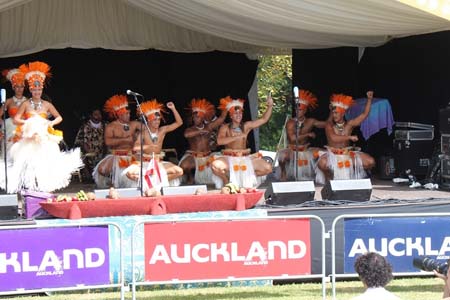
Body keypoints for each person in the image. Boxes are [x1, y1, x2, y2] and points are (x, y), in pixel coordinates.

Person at [0, 61, 83, 192]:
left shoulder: (47, 104)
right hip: (29, 136)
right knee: (28, 162)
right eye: (34, 90)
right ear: (31, 90)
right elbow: (16, 118)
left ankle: (43, 188)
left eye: (39, 90)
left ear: (41, 89)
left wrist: (50, 123)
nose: (37, 92)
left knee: (44, 161)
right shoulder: (26, 104)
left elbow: (59, 117)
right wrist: (27, 123)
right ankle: (29, 187)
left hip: (44, 135)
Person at [211, 95, 273, 188]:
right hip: (229, 158)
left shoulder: (246, 126)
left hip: (245, 158)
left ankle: (249, 176)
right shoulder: (225, 127)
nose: (239, 115)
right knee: (215, 166)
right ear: (231, 115)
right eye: (235, 113)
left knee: (268, 168)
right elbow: (219, 141)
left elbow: (263, 119)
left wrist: (270, 106)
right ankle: (226, 180)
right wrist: (237, 137)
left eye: (240, 113)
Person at [123, 99, 183, 192]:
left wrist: (173, 109)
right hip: (145, 162)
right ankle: (152, 181)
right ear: (148, 120)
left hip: (158, 162)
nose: (158, 122)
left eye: (159, 119)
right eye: (155, 119)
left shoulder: (162, 130)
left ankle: (154, 181)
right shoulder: (143, 133)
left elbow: (179, 123)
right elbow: (135, 148)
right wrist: (148, 147)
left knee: (179, 171)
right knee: (129, 173)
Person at [316, 91, 375, 183]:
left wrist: (369, 100)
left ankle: (353, 173)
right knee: (322, 163)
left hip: (347, 153)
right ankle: (330, 178)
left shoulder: (349, 124)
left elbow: (364, 115)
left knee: (370, 161)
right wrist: (349, 138)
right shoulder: (329, 125)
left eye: (337, 113)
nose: (334, 115)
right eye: (333, 113)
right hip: (332, 154)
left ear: (343, 113)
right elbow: (333, 138)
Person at [277, 89, 328, 181]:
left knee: (324, 153)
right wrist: (307, 134)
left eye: (300, 110)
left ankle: (325, 176)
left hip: (306, 150)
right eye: (296, 109)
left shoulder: (310, 121)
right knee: (282, 156)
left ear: (305, 111)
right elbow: (292, 139)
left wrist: (333, 114)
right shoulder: (291, 122)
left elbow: (326, 125)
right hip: (292, 150)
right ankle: (283, 172)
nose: (297, 111)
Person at [92, 94, 140, 188]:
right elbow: (108, 142)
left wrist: (138, 137)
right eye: (126, 114)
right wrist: (125, 140)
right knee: (102, 169)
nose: (129, 115)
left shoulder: (134, 124)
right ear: (119, 114)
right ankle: (112, 182)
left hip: (132, 155)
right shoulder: (111, 126)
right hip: (117, 155)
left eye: (129, 113)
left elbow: (148, 130)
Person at [179, 98, 226, 186]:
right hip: (193, 155)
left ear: (203, 117)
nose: (195, 119)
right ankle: (190, 177)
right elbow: (187, 135)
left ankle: (223, 180)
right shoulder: (190, 129)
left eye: (198, 117)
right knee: (185, 166)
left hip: (207, 155)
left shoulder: (209, 126)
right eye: (194, 117)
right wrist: (200, 132)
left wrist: (226, 107)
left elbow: (221, 118)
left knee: (219, 163)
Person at [74, 108, 105, 182]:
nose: (98, 116)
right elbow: (78, 140)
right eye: (95, 114)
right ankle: (88, 177)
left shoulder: (105, 125)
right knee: (81, 156)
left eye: (99, 114)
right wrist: (85, 146)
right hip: (88, 151)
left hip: (102, 151)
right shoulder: (85, 126)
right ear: (91, 116)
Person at [0, 68, 27, 149]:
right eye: (17, 87)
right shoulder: (9, 101)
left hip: (24, 128)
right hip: (10, 129)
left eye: (21, 87)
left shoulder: (28, 101)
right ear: (13, 88)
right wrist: (2, 124)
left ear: (24, 88)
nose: (19, 89)